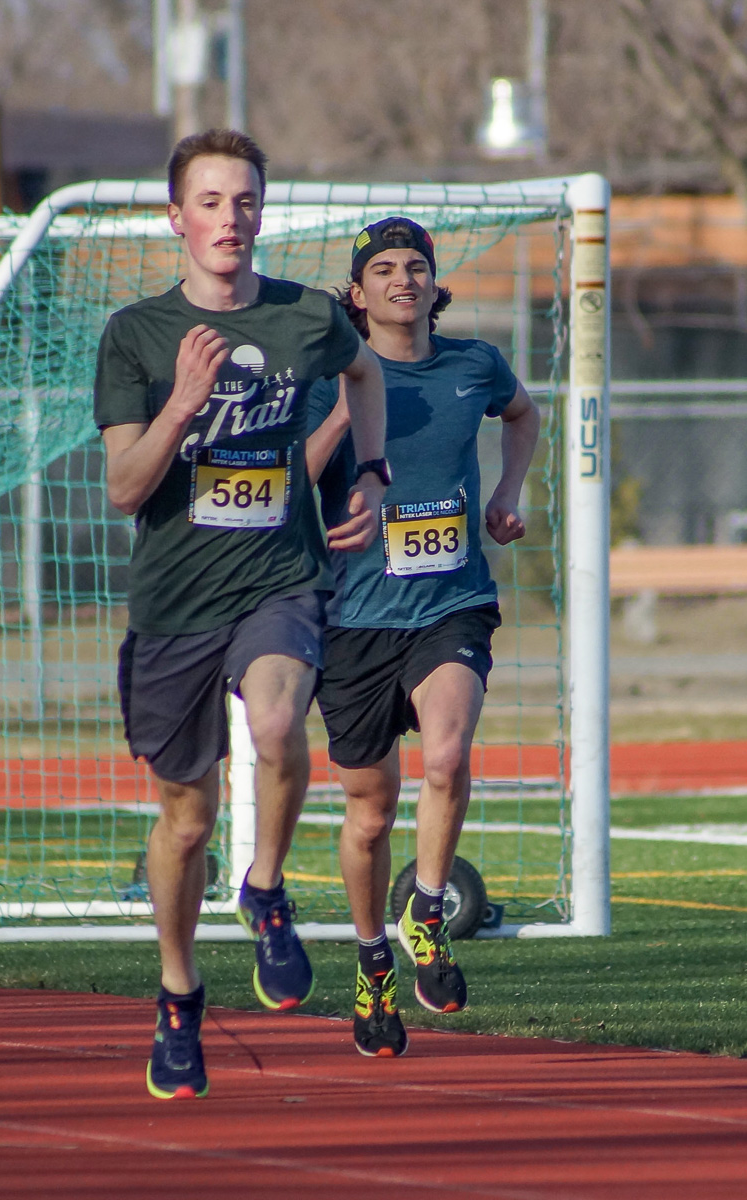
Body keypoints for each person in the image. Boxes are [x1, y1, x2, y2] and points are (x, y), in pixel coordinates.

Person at [94, 128, 387, 1099]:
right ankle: (178, 994)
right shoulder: (136, 335)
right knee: (184, 822)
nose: (230, 218)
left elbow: (364, 371)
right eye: (210, 202)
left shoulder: (306, 318)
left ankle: (263, 886)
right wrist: (182, 401)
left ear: (262, 213)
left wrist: (372, 470)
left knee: (274, 723)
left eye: (245, 201)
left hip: (278, 581)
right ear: (176, 219)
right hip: (175, 601)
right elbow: (126, 491)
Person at [306, 217, 540, 1058]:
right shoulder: (330, 373)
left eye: (416, 267)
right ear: (359, 293)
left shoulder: (473, 364)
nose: (402, 279)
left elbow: (522, 413)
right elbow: (290, 479)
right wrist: (342, 408)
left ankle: (426, 910)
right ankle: (372, 961)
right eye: (384, 269)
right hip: (353, 621)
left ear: (433, 284)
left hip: (452, 602)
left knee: (446, 758)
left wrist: (508, 493)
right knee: (368, 815)